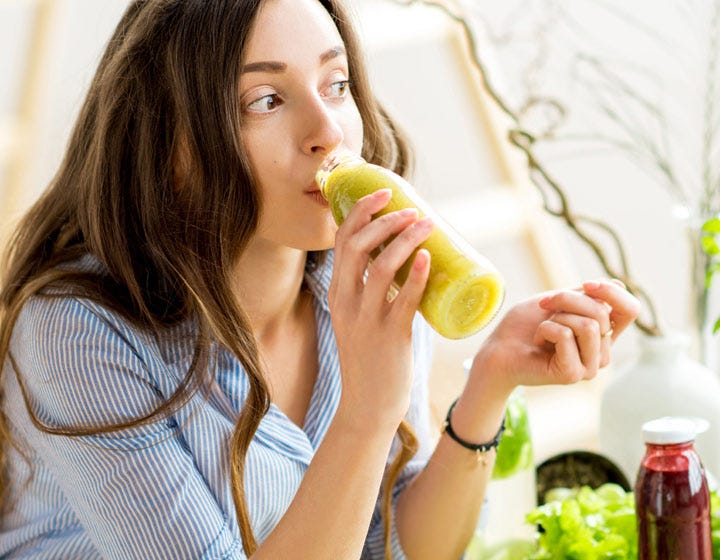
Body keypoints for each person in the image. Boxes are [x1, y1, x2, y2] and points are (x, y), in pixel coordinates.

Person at [0, 0, 641, 558]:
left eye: (336, 85)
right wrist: (366, 412)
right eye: (267, 101)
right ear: (175, 148)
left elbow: (390, 544)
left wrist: (489, 383)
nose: (328, 131)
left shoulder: (360, 279)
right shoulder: (75, 332)